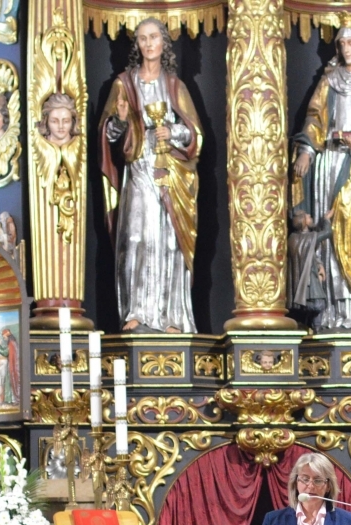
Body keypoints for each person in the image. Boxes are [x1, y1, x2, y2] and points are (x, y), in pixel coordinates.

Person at [99, 17, 203, 334]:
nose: (148, 44)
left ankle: (172, 317)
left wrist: (171, 132)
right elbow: (108, 135)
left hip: (169, 172)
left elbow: (195, 134)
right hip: (138, 167)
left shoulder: (175, 86)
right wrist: (118, 120)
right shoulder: (123, 84)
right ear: (137, 45)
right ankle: (135, 312)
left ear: (164, 43)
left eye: (154, 37)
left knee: (169, 242)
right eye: (142, 38)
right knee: (135, 237)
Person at [292, 22, 351, 332]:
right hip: (327, 161)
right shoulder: (329, 80)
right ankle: (331, 315)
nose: (347, 49)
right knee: (326, 236)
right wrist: (306, 150)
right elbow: (315, 118)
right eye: (342, 44)